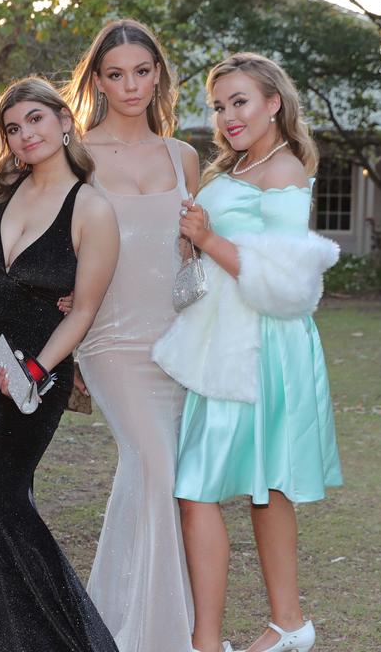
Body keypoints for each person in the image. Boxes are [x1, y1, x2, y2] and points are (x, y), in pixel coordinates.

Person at [152, 52, 343, 652]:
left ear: (272, 103)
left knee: (204, 488)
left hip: (260, 347)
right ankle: (286, 624)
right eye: (218, 105)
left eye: (240, 101)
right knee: (262, 485)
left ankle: (215, 641)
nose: (228, 115)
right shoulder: (236, 168)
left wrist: (209, 237)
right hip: (224, 342)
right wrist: (197, 244)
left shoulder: (282, 172)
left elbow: (289, 285)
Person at [0, 76, 121, 652]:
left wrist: (35, 370)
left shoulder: (92, 207)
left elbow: (82, 310)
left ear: (63, 120)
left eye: (35, 119)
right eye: (12, 127)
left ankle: (72, 639)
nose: (25, 133)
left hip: (31, 381)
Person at [64, 18, 198, 652]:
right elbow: (54, 242)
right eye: (116, 74)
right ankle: (165, 639)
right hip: (111, 340)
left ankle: (113, 624)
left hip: (178, 341)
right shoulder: (77, 153)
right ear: (98, 80)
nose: (131, 85)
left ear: (158, 74)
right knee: (154, 464)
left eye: (142, 71)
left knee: (149, 478)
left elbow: (190, 254)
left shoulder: (183, 156)